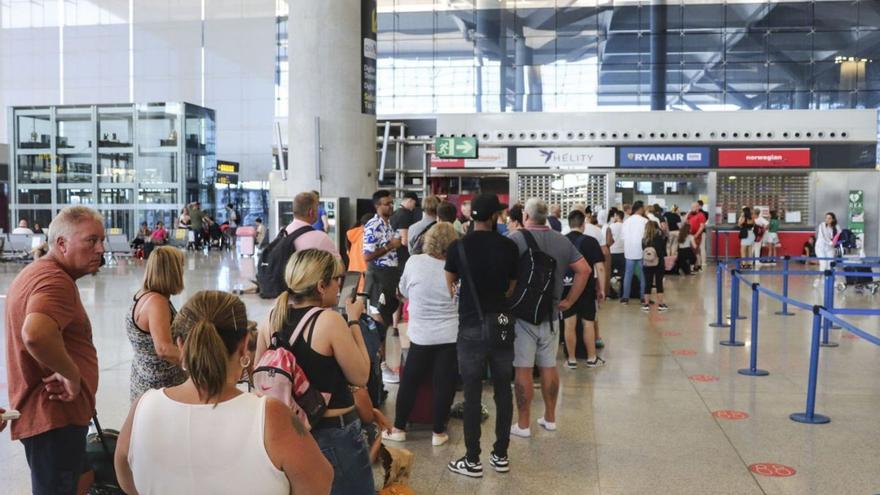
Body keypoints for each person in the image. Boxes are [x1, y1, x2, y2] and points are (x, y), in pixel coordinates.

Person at [115, 290, 333, 495]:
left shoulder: (143, 408)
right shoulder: (270, 416)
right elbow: (319, 482)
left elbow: (127, 482)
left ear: (180, 344)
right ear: (244, 345)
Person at [255, 249, 373, 494]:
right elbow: (360, 376)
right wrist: (353, 321)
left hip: (289, 435)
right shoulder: (328, 321)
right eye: (337, 280)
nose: (339, 287)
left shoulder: (272, 318)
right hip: (334, 434)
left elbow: (258, 373)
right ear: (321, 285)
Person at [5, 206, 105, 494]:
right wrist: (72, 375)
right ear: (61, 244)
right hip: (55, 419)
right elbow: (35, 334)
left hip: (53, 419)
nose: (100, 248)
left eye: (101, 240)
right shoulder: (55, 281)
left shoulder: (37, 273)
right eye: (91, 240)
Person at [444, 193, 519, 478]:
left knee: (473, 392)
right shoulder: (509, 246)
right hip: (500, 319)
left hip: (471, 323)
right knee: (503, 389)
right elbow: (512, 287)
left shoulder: (458, 247)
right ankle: (500, 455)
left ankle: (472, 460)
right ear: (493, 217)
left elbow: (450, 283)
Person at [507, 198, 590, 437]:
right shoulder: (562, 240)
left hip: (522, 315)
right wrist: (569, 301)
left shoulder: (515, 239)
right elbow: (584, 270)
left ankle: (523, 424)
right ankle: (550, 418)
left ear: (526, 217)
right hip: (552, 314)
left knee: (522, 368)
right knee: (549, 366)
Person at [384, 223, 459, 446]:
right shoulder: (458, 268)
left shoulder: (414, 262)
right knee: (444, 383)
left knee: (410, 381)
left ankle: (398, 428)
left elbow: (404, 292)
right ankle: (438, 432)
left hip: (420, 335)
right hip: (450, 334)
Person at [126, 246, 186, 401]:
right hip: (160, 382)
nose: (183, 272)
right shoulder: (157, 302)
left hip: (142, 375)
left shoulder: (143, 294)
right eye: (181, 267)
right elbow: (163, 349)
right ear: (171, 271)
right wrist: (196, 364)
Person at [562, 210, 605, 369]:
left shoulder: (562, 241)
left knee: (569, 323)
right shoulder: (591, 241)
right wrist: (602, 289)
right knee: (588, 323)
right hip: (586, 287)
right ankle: (592, 358)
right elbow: (599, 267)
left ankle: (571, 360)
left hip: (566, 287)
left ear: (569, 223)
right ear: (583, 224)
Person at [362, 189, 402, 330]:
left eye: (392, 203)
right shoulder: (373, 225)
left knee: (387, 311)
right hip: (379, 274)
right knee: (379, 312)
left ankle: (381, 348)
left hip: (389, 274)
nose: (391, 206)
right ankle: (378, 347)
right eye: (387, 204)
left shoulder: (388, 223)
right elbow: (367, 256)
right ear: (377, 206)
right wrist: (390, 246)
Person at [283, 191, 341, 258]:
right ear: (311, 212)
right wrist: (325, 233)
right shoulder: (321, 238)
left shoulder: (284, 232)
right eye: (316, 208)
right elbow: (338, 265)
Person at [621, 201, 648, 304]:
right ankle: (643, 297)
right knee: (643, 275)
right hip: (642, 251)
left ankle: (625, 297)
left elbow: (623, 237)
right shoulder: (645, 221)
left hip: (629, 251)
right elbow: (647, 236)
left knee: (628, 274)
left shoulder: (626, 221)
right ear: (640, 208)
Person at [642, 221, 668, 312]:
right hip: (658, 262)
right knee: (659, 283)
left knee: (647, 284)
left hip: (646, 263)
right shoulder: (659, 238)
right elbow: (663, 250)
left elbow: (643, 249)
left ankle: (646, 304)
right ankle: (661, 304)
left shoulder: (644, 239)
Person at [608, 209, 625, 297]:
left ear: (617, 217)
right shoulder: (625, 225)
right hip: (623, 253)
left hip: (612, 252)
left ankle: (610, 292)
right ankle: (622, 293)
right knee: (623, 274)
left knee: (610, 273)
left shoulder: (611, 226)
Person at [686, 202, 707, 272]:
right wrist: (688, 213)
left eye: (694, 207)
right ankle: (695, 266)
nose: (692, 208)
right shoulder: (690, 215)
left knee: (695, 251)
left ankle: (698, 266)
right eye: (691, 207)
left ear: (698, 207)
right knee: (692, 251)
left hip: (696, 236)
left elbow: (701, 227)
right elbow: (684, 221)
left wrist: (696, 235)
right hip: (689, 235)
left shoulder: (701, 215)